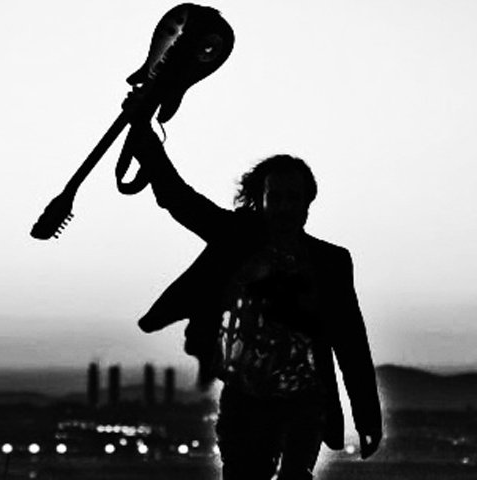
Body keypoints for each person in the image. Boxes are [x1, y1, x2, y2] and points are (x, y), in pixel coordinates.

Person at [123, 93, 382, 479]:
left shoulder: (331, 261)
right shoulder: (237, 239)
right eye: (275, 197)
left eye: (293, 198)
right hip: (246, 401)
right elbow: (180, 200)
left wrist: (367, 416)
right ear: (261, 200)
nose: (285, 207)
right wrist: (143, 136)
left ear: (308, 202)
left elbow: (350, 341)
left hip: (306, 402)